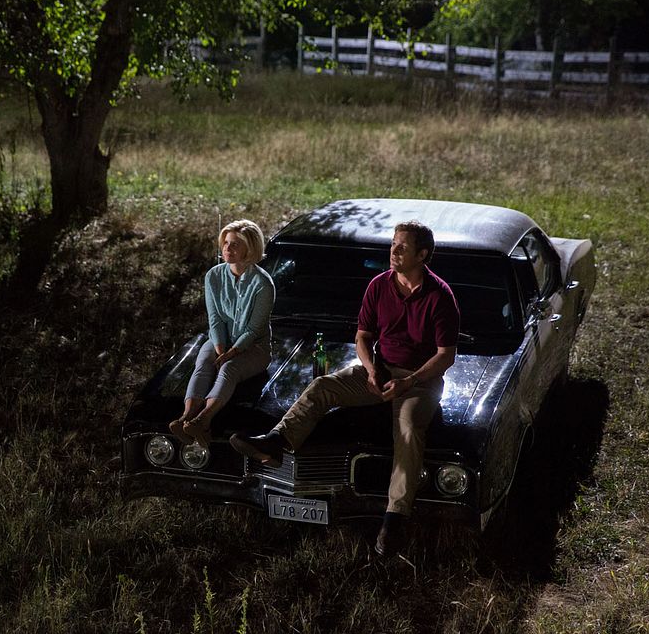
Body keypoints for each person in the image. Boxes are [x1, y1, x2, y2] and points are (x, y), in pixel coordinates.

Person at [230, 220, 459, 556]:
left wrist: (408, 381)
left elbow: (446, 356)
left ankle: (394, 518)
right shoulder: (379, 286)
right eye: (393, 244)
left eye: (403, 247)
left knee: (408, 428)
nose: (393, 251)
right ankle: (276, 441)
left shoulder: (440, 296)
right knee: (323, 385)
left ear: (422, 255)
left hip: (419, 381)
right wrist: (370, 370)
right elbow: (363, 337)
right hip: (379, 370)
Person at [170, 220, 275, 449]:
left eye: (235, 244)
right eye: (225, 243)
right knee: (203, 361)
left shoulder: (263, 284)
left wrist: (230, 354)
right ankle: (185, 418)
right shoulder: (214, 276)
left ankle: (203, 420)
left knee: (230, 367)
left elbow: (253, 329)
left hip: (254, 347)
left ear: (250, 248)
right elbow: (215, 318)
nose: (227, 248)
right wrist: (220, 350)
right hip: (221, 340)